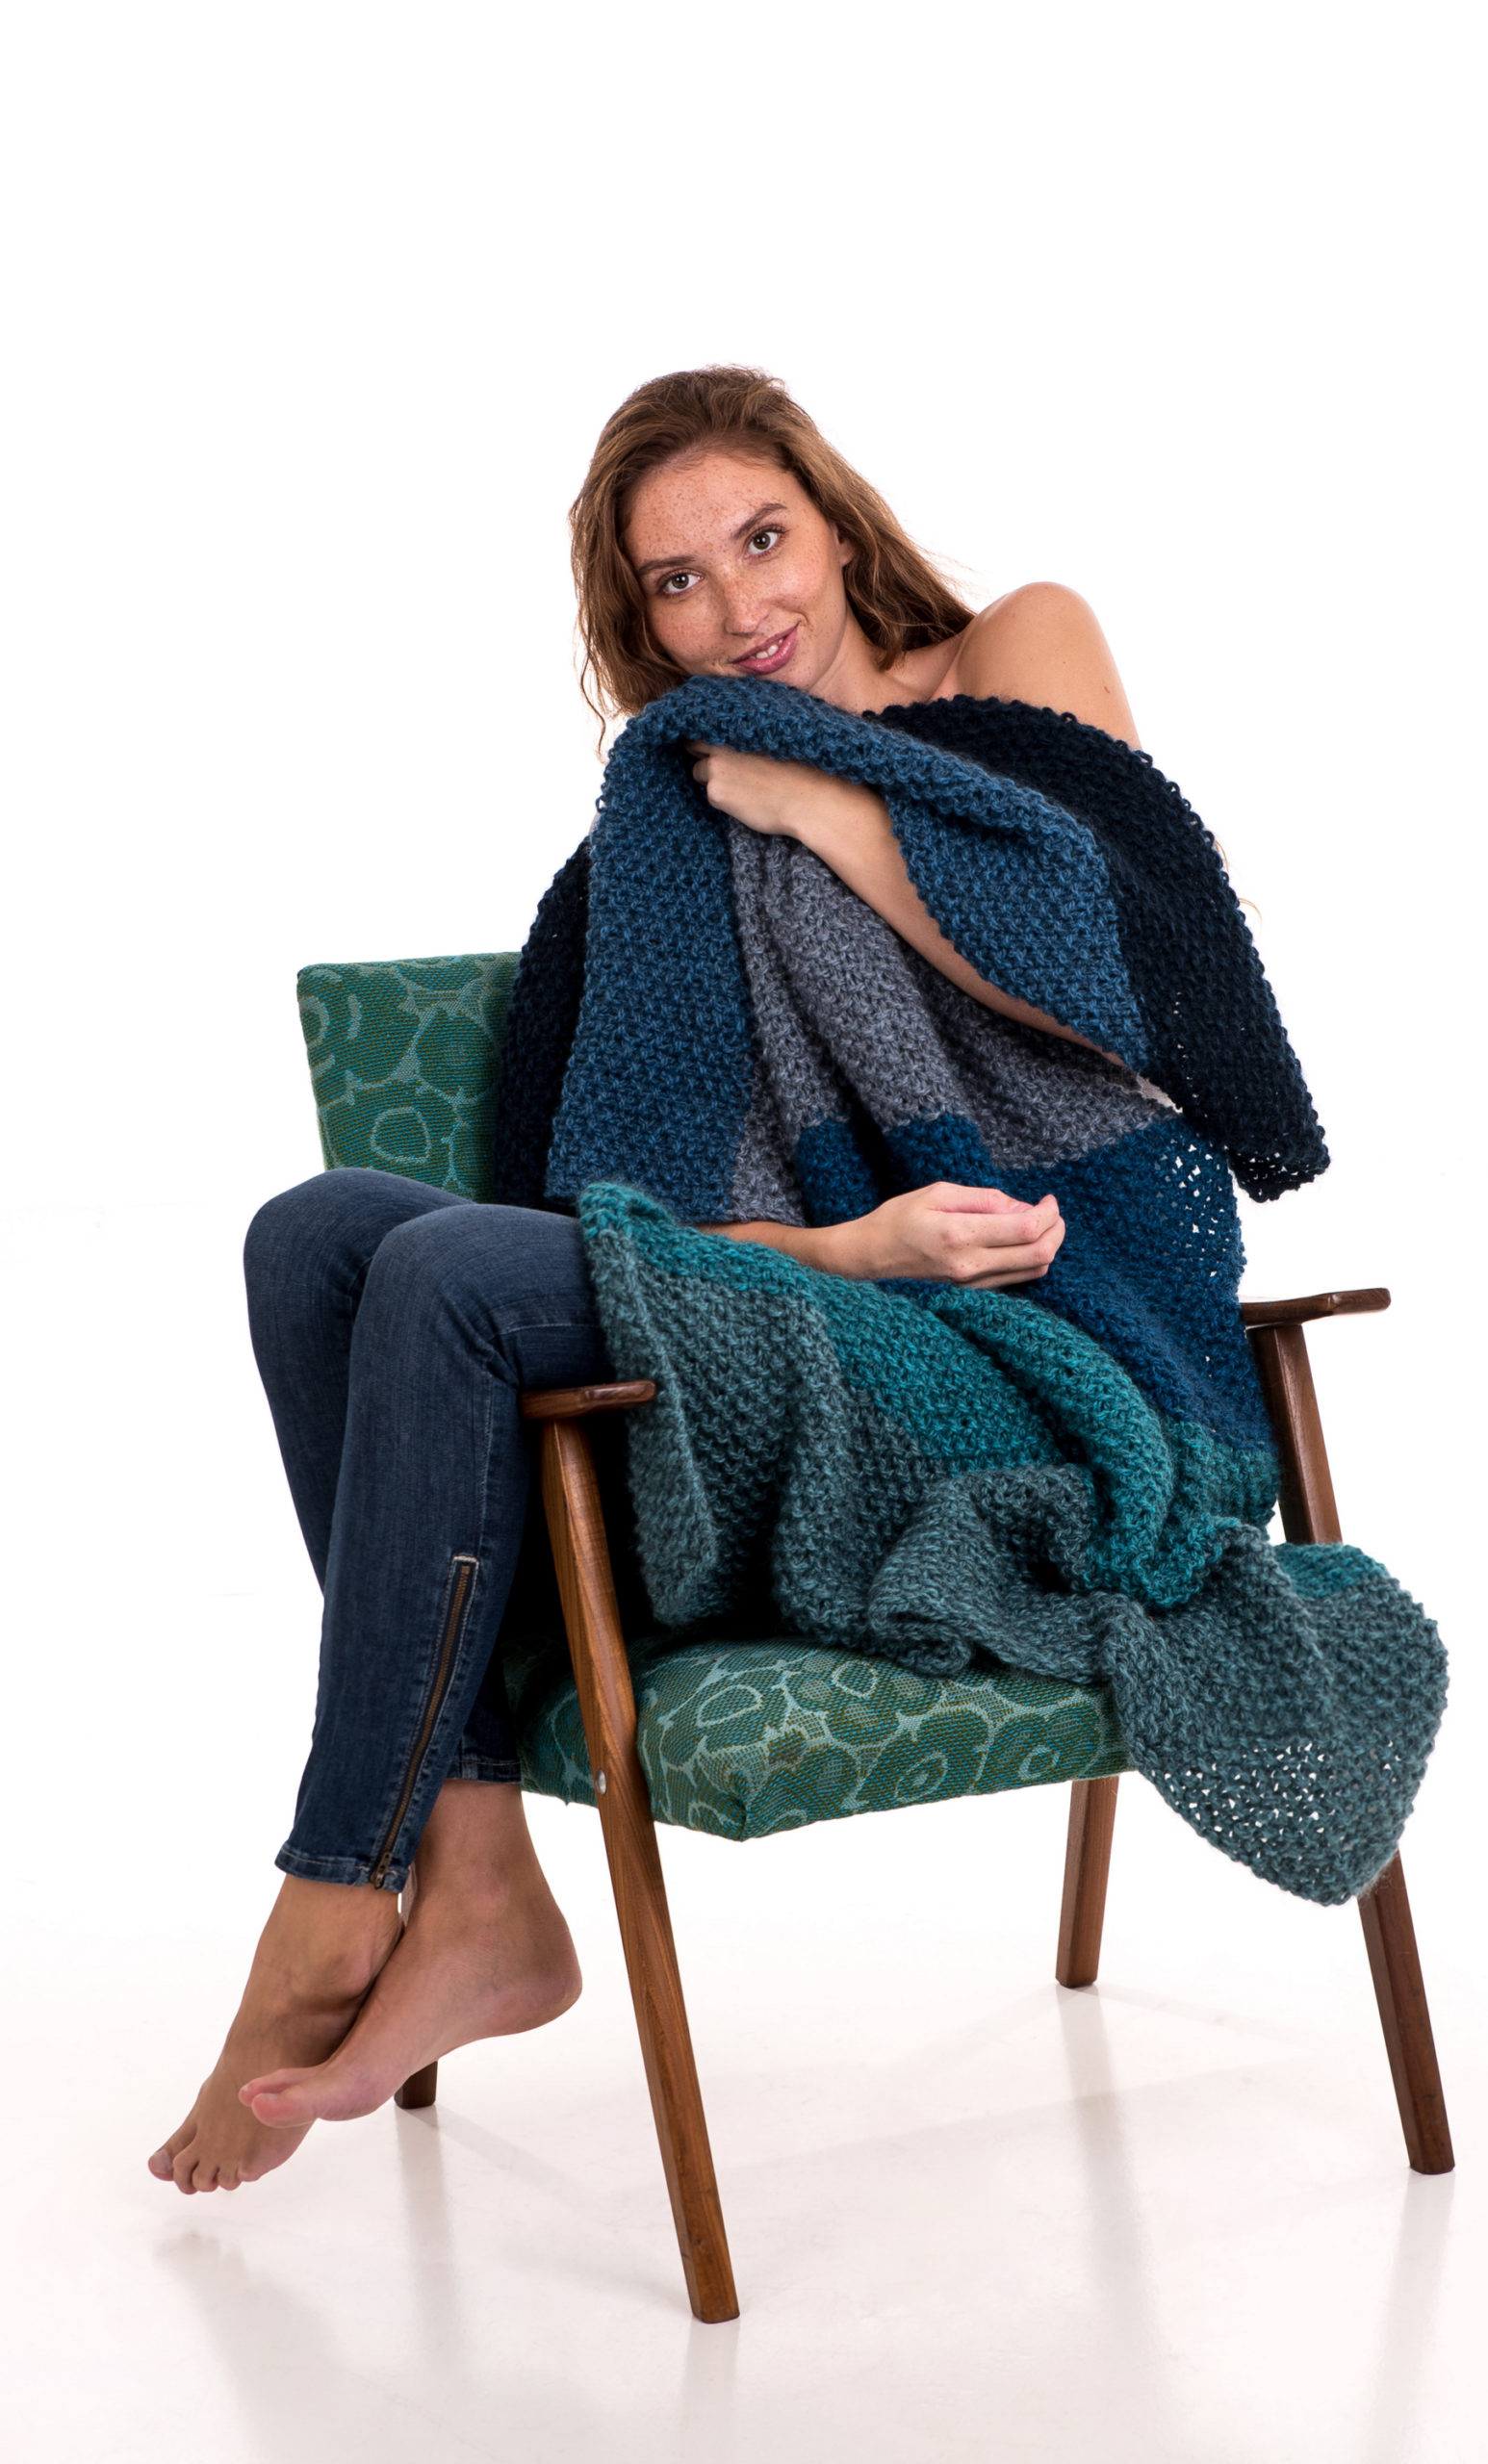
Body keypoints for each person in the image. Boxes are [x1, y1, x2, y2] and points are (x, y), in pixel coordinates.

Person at [151, 365, 1147, 2194]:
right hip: (819, 1302)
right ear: (641, 624)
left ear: (834, 521)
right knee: (313, 1234)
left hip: (1023, 1347)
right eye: (678, 582)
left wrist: (828, 804)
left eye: (763, 538)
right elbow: (646, 1214)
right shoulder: (672, 827)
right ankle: (474, 1871)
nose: (738, 604)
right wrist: (850, 1246)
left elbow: (1098, 980)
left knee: (453, 1275)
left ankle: (330, 1894)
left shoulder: (1017, 646)